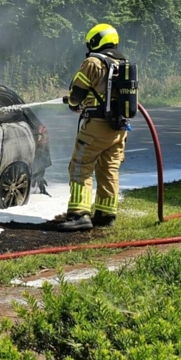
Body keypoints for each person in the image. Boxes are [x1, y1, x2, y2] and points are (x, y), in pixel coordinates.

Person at [57, 23, 131, 231]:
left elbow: (76, 94)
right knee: (109, 169)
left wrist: (74, 103)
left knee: (80, 166)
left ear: (95, 41)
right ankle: (106, 214)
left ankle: (79, 214)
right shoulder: (124, 63)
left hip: (96, 126)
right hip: (119, 129)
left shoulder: (93, 62)